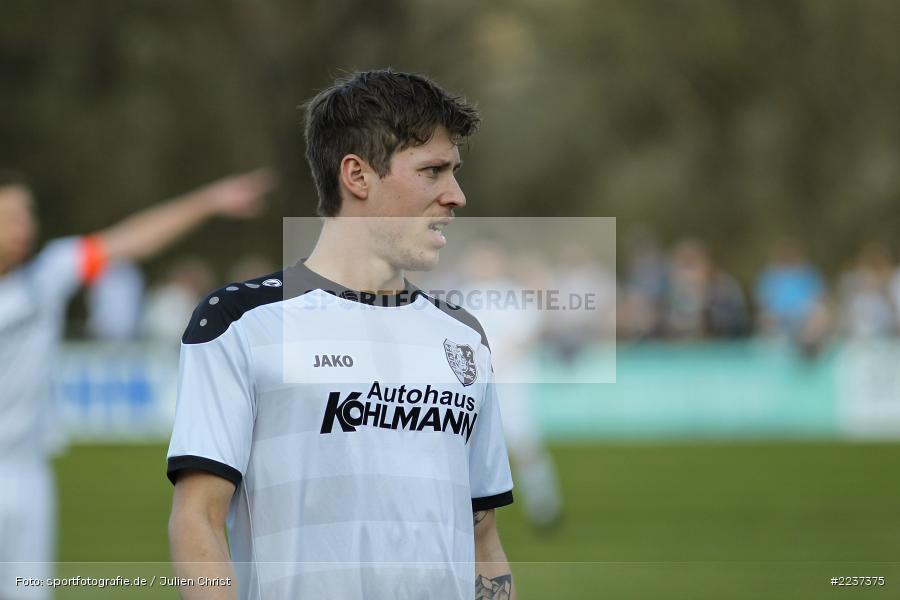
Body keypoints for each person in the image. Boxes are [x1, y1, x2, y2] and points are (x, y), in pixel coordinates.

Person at [166, 70, 517, 600]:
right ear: (357, 175)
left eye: (455, 172)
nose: (457, 196)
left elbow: (482, 539)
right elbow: (199, 520)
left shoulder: (464, 337)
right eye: (433, 171)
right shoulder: (241, 321)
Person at [0, 167, 273, 600]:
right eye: (10, 217)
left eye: (26, 214)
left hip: (25, 474)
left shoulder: (46, 275)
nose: (23, 227)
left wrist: (207, 201)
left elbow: (132, 239)